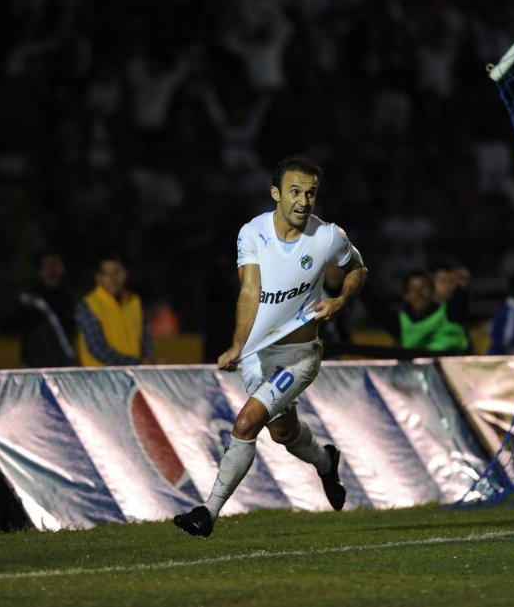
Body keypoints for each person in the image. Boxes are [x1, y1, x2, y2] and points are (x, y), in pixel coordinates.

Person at [174, 155, 367, 538]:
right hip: (257, 356)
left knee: (246, 423)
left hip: (299, 356)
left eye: (310, 193)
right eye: (295, 191)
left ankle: (207, 513)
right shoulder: (252, 233)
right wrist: (236, 345)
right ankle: (326, 461)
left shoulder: (328, 237)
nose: (303, 201)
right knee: (282, 433)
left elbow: (357, 268)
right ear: (276, 193)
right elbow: (249, 290)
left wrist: (340, 301)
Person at [359, 269, 470, 355]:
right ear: (406, 296)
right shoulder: (401, 323)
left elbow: (460, 302)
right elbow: (378, 308)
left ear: (432, 293)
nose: (419, 293)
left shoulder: (450, 313)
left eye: (423, 288)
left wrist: (461, 288)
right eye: (413, 289)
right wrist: (359, 280)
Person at [75, 253, 156, 366]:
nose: (113, 279)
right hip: (101, 379)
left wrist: (148, 359)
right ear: (98, 277)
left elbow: (146, 339)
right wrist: (136, 363)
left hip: (134, 377)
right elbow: (97, 348)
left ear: (126, 273)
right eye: (107, 274)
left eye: (117, 272)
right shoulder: (88, 305)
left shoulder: (134, 301)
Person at [16, 250, 77, 367]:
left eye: (56, 265)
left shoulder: (69, 297)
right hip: (36, 367)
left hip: (63, 366)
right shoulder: (29, 297)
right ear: (40, 271)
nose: (52, 270)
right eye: (48, 266)